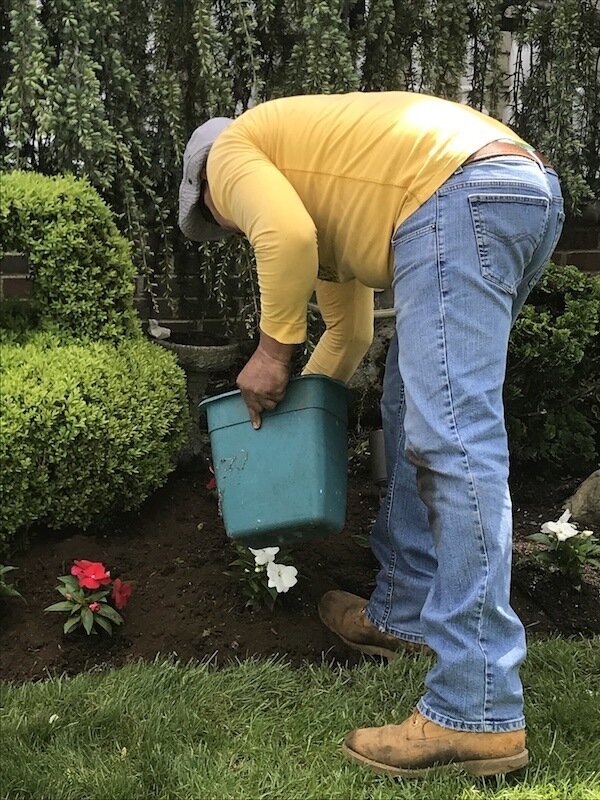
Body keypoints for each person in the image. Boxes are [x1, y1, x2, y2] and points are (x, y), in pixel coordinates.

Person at [179, 92, 564, 778]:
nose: (232, 228)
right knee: (418, 411)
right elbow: (349, 336)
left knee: (454, 442)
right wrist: (282, 439)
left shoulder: (229, 152)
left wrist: (270, 354)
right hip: (515, 188)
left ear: (208, 189)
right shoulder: (330, 202)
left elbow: (283, 238)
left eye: (222, 221)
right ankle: (407, 614)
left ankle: (474, 708)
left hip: (460, 194)